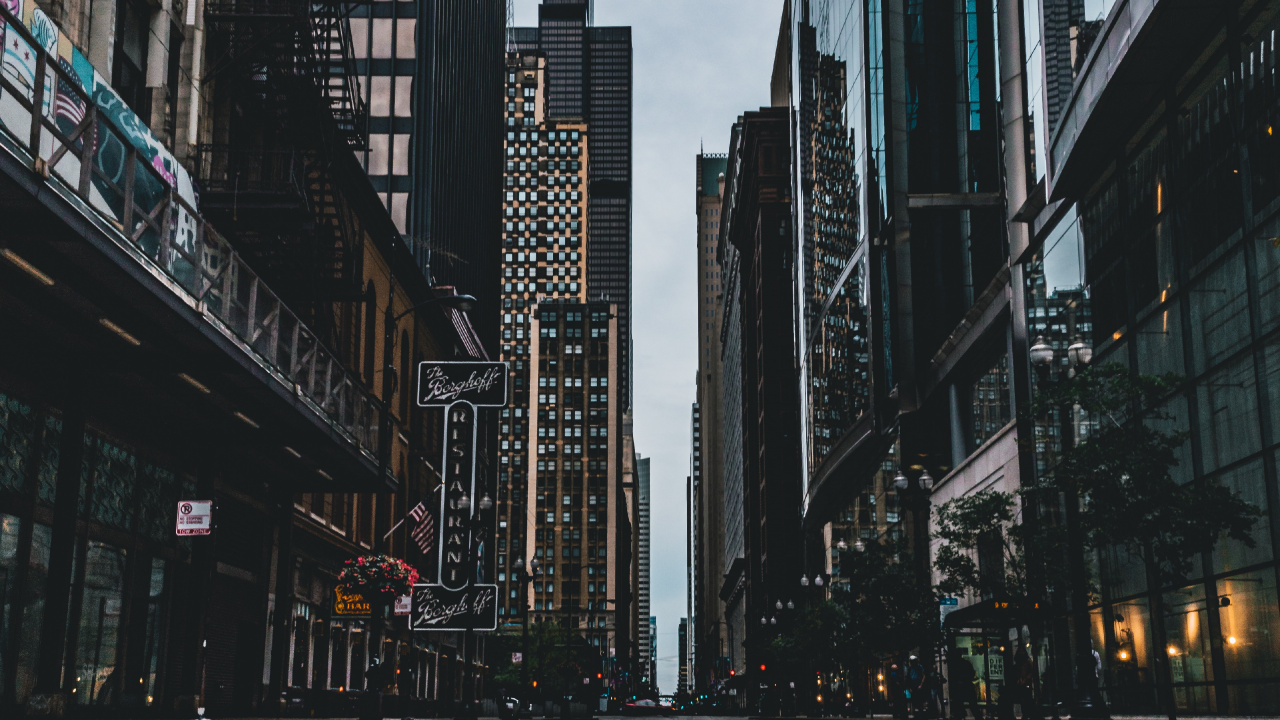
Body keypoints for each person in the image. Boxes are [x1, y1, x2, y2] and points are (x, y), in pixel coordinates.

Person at [948, 650, 983, 720]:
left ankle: (962, 715)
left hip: (961, 687)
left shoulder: (955, 665)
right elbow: (972, 673)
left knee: (961, 704)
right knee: (972, 705)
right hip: (967, 686)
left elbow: (952, 677)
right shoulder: (965, 663)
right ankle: (977, 716)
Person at [1011, 647, 1041, 720]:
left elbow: (1031, 672)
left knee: (1026, 699)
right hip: (1023, 683)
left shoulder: (1027, 661)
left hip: (1025, 683)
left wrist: (1025, 679)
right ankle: (1027, 714)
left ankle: (1027, 714)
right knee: (1025, 699)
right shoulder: (1024, 662)